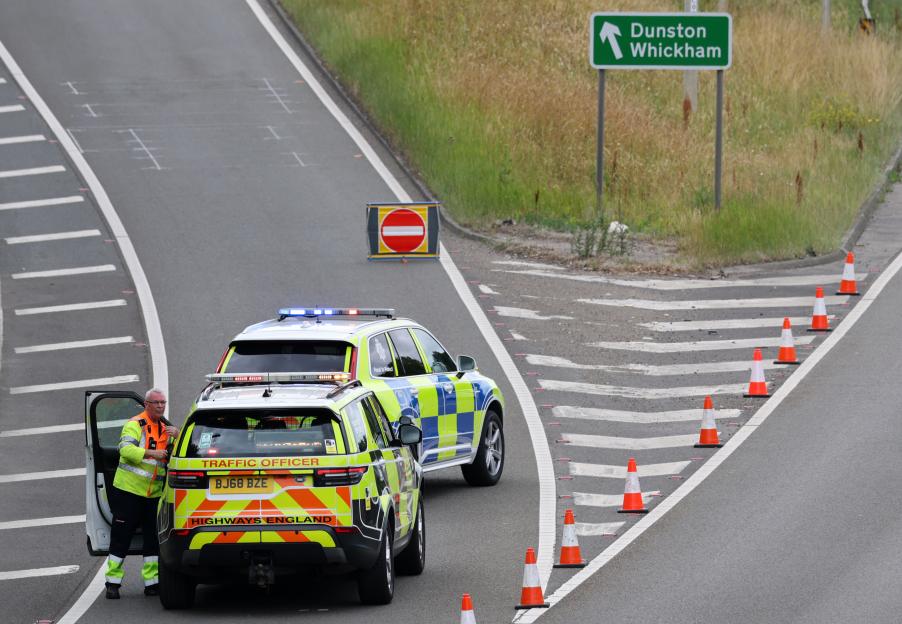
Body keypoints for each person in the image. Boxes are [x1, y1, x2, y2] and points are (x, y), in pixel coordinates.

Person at [105, 388, 179, 599]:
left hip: (154, 494)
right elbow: (125, 450)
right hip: (129, 491)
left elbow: (177, 454)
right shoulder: (135, 424)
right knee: (121, 538)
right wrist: (150, 452)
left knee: (153, 540)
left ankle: (152, 583)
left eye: (163, 402)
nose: (160, 406)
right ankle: (112, 583)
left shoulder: (166, 428)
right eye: (156, 402)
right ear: (146, 404)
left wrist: (180, 434)